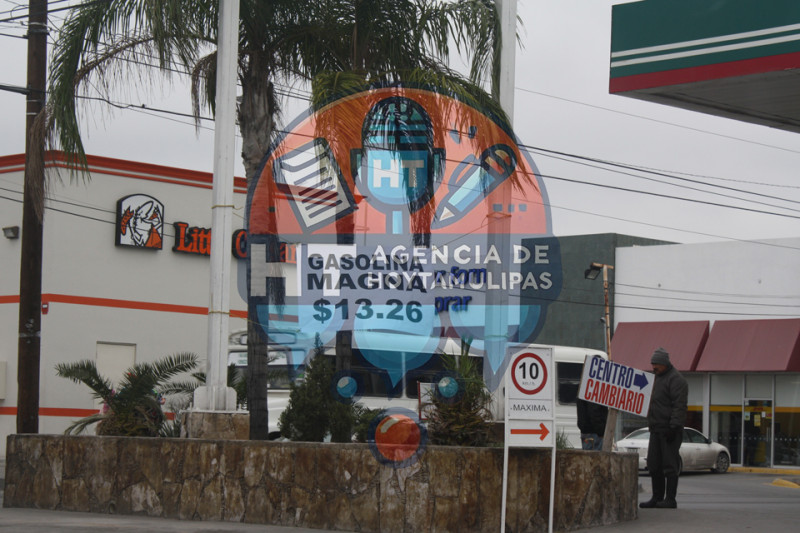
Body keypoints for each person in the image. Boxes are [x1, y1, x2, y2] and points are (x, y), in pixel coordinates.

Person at [639, 347, 688, 509]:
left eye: (657, 364)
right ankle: (657, 497)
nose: (654, 367)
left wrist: (673, 427)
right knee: (654, 464)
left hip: (669, 430)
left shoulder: (676, 380)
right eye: (652, 364)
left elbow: (679, 406)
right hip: (655, 429)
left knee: (669, 465)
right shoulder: (654, 378)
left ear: (664, 363)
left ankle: (670, 499)